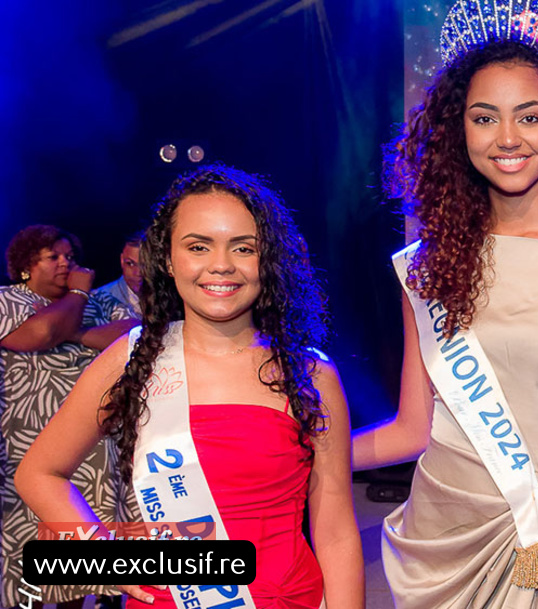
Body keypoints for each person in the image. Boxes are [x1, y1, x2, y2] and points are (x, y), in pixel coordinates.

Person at [349, 1, 538, 607]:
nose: (508, 138)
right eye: (485, 118)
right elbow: (412, 428)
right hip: (446, 536)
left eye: (529, 117)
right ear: (460, 130)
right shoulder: (428, 264)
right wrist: (306, 450)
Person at [15, 166, 364, 609]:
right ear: (167, 259)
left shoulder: (308, 373)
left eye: (244, 248)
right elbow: (38, 473)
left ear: (268, 260)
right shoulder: (132, 359)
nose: (221, 264)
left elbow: (335, 530)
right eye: (199, 246)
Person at [0, 224, 137, 609]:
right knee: (27, 543)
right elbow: (41, 333)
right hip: (26, 442)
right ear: (26, 264)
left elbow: (130, 334)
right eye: (53, 257)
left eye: (70, 257)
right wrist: (76, 301)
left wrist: (73, 332)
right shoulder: (7, 301)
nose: (66, 263)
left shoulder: (95, 304)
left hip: (87, 450)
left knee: (79, 548)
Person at [93, 231, 145, 319]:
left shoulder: (166, 296)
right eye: (130, 264)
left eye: (145, 265)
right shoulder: (99, 301)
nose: (138, 273)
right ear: (121, 260)